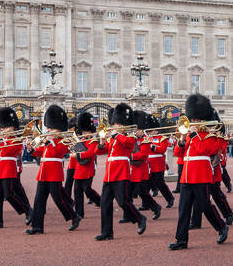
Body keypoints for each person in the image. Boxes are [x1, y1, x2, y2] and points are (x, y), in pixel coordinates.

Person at [169, 94, 228, 250]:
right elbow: (178, 153)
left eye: (196, 119)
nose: (193, 122)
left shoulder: (210, 135)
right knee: (183, 210)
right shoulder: (189, 135)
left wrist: (194, 135)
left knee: (204, 206)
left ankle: (221, 226)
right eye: (193, 119)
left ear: (203, 119)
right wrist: (181, 141)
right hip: (187, 177)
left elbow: (204, 150)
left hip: (201, 176)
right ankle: (181, 240)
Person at [95, 103, 147, 241]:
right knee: (105, 203)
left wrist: (116, 135)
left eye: (118, 124)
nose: (115, 126)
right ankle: (107, 232)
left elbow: (128, 144)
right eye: (115, 123)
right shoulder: (113, 138)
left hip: (121, 172)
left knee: (123, 202)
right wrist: (101, 142)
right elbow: (100, 151)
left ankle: (140, 218)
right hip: (109, 173)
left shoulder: (130, 136)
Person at [26, 105, 80, 235]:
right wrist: (31, 149)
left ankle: (74, 216)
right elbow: (41, 152)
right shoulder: (49, 141)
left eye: (51, 128)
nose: (49, 130)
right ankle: (37, 227)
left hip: (54, 173)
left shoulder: (64, 141)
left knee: (58, 199)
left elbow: (57, 152)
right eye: (48, 127)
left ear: (59, 128)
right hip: (43, 173)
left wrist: (50, 142)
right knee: (39, 200)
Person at [0, 107, 32, 229]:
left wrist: (2, 142)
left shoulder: (16, 140)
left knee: (9, 195)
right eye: (3, 127)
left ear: (12, 127)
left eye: (6, 127)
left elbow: (11, 151)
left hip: (9, 169)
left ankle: (28, 210)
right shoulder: (3, 140)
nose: (4, 130)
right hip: (0, 170)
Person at [68, 112, 101, 230]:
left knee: (87, 189)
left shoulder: (94, 141)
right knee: (77, 192)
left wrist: (77, 155)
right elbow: (74, 149)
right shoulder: (80, 141)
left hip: (88, 169)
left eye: (87, 132)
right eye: (84, 132)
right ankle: (79, 213)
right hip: (79, 169)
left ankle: (100, 200)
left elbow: (90, 153)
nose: (85, 134)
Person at [128, 111, 162, 221]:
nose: (135, 131)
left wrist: (131, 156)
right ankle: (128, 215)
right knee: (128, 194)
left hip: (141, 171)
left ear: (142, 130)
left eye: (137, 129)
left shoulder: (145, 140)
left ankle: (156, 207)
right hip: (132, 170)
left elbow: (143, 154)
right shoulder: (132, 139)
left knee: (143, 193)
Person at [148, 118, 175, 209]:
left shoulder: (162, 138)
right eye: (151, 130)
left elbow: (162, 150)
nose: (152, 132)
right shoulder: (146, 138)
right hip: (148, 165)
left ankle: (170, 198)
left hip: (158, 164)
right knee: (145, 184)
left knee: (160, 183)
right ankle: (146, 203)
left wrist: (153, 147)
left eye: (154, 130)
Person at [63, 116, 78, 201]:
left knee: (79, 186)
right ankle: (67, 200)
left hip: (80, 163)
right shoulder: (71, 137)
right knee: (68, 184)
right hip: (72, 164)